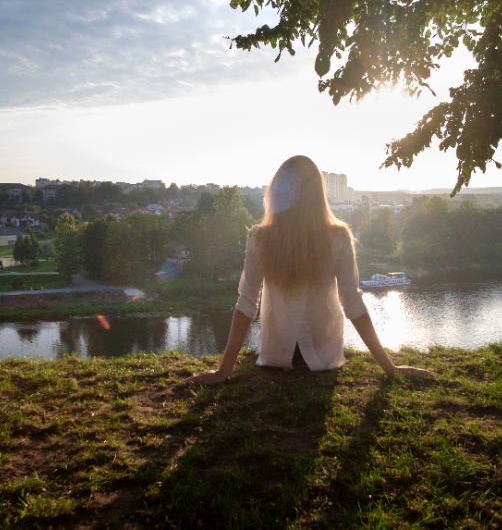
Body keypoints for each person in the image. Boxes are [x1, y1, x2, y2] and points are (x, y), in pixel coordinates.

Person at [183, 155, 435, 384]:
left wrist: (223, 372)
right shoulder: (338, 236)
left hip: (275, 355)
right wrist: (390, 368)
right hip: (323, 358)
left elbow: (247, 302)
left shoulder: (260, 237)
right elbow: (353, 302)